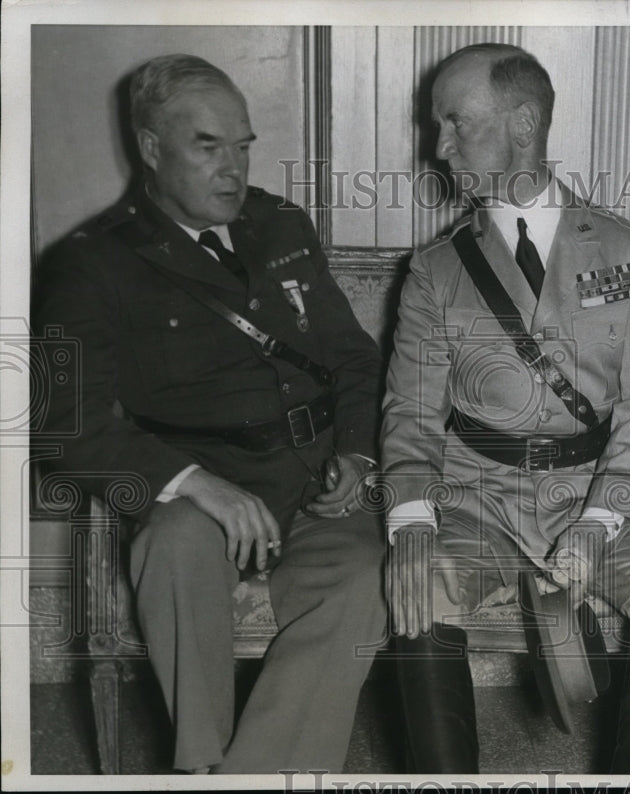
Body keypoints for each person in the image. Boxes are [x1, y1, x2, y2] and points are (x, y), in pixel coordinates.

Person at [34, 54, 386, 774]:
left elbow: (352, 359)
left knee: (362, 575)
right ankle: (199, 761)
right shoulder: (90, 263)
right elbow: (65, 430)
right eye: (207, 146)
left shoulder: (281, 224)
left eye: (243, 145)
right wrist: (197, 484)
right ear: (152, 149)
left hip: (313, 480)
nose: (233, 168)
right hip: (201, 487)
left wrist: (355, 453)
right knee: (176, 546)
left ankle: (244, 778)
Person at [380, 43, 630, 774]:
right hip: (476, 494)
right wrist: (412, 525)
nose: (440, 145)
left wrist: (597, 523)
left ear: (523, 125)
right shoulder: (435, 271)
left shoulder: (629, 252)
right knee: (419, 584)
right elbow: (411, 416)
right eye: (438, 126)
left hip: (597, 492)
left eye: (457, 122)